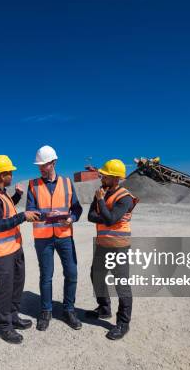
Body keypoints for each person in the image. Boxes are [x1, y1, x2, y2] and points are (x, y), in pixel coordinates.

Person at [0, 155, 41, 344]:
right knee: (5, 290)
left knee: (17, 285)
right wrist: (24, 216)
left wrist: (18, 196)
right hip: (1, 253)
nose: (12, 175)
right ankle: (5, 327)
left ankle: (14, 317)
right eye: (10, 172)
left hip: (14, 249)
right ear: (1, 175)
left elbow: (6, 209)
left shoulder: (2, 193)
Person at [26, 145, 83, 331]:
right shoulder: (33, 185)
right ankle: (46, 311)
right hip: (43, 238)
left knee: (72, 274)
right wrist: (46, 215)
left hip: (64, 236)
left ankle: (69, 310)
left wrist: (70, 218)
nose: (42, 168)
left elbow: (77, 208)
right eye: (39, 165)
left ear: (54, 162)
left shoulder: (67, 183)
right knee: (46, 276)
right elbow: (30, 211)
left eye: (45, 164)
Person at [87, 159, 138, 340]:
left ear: (115, 178)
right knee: (96, 275)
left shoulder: (124, 197)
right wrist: (102, 208)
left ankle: (123, 323)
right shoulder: (102, 192)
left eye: (105, 175)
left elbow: (111, 219)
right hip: (103, 244)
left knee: (121, 285)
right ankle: (104, 308)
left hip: (119, 247)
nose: (102, 177)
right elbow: (90, 216)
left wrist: (101, 203)